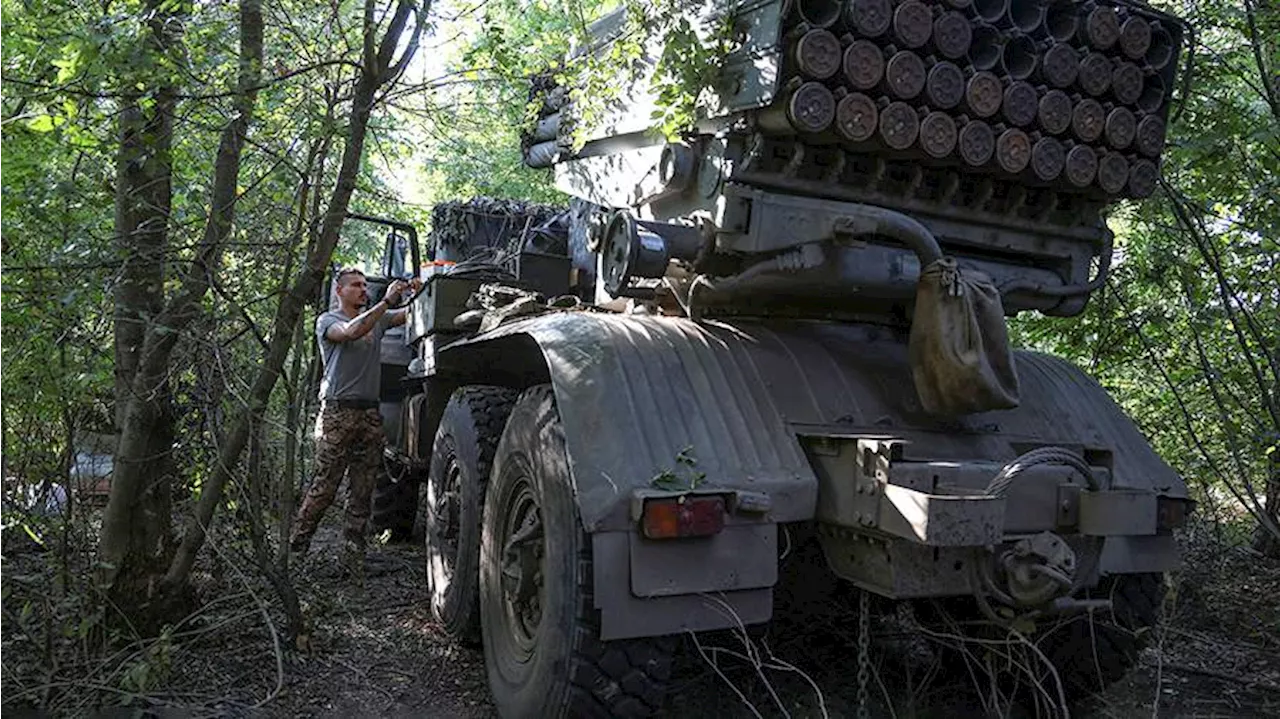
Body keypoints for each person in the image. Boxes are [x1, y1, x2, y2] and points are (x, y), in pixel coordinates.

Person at [289, 268, 420, 575]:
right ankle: (296, 551)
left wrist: (415, 291)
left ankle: (353, 559)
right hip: (338, 413)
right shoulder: (328, 321)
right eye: (356, 286)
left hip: (369, 414)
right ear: (340, 291)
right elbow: (351, 332)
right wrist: (387, 301)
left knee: (363, 490)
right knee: (324, 488)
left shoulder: (380, 319)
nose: (363, 290)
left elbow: (410, 314)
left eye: (365, 285)